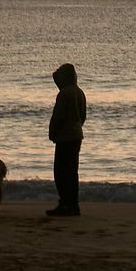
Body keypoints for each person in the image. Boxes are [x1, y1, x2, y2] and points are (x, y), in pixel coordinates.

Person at [46, 62, 87, 217]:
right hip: (76, 135)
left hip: (65, 137)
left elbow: (58, 116)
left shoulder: (64, 93)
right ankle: (73, 204)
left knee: (61, 172)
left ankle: (65, 203)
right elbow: (83, 116)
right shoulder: (79, 92)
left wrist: (53, 132)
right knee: (72, 172)